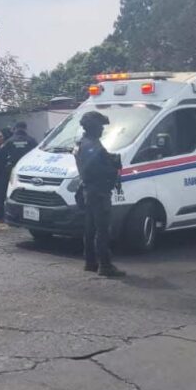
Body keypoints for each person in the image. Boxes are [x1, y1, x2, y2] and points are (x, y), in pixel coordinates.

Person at [74, 111, 126, 278]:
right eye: (100, 126)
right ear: (93, 127)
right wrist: (113, 168)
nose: (102, 129)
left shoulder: (84, 143)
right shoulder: (92, 145)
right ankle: (105, 265)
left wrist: (109, 158)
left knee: (90, 228)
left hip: (90, 191)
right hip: (98, 192)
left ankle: (90, 262)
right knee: (102, 230)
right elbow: (95, 169)